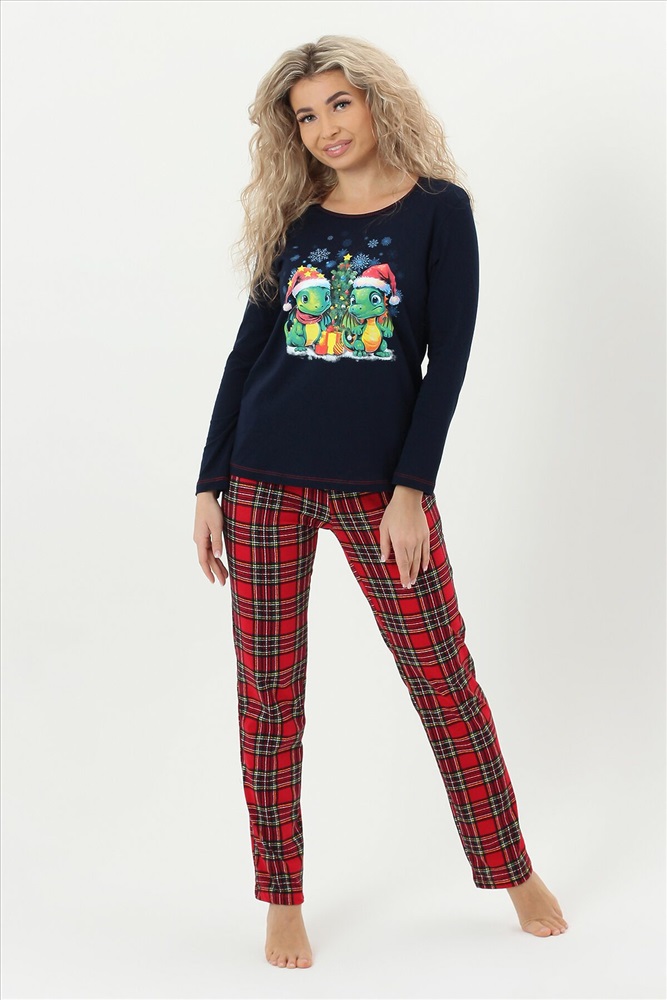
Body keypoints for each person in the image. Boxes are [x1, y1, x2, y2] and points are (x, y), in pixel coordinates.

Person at [193, 34, 568, 970]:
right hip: (262, 481)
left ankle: (511, 868)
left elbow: (448, 362)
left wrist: (411, 491)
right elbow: (246, 356)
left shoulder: (439, 212)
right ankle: (282, 897)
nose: (325, 127)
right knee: (268, 699)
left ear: (374, 101)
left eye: (338, 104)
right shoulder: (296, 219)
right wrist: (209, 481)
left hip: (378, 493)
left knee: (442, 680)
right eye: (305, 116)